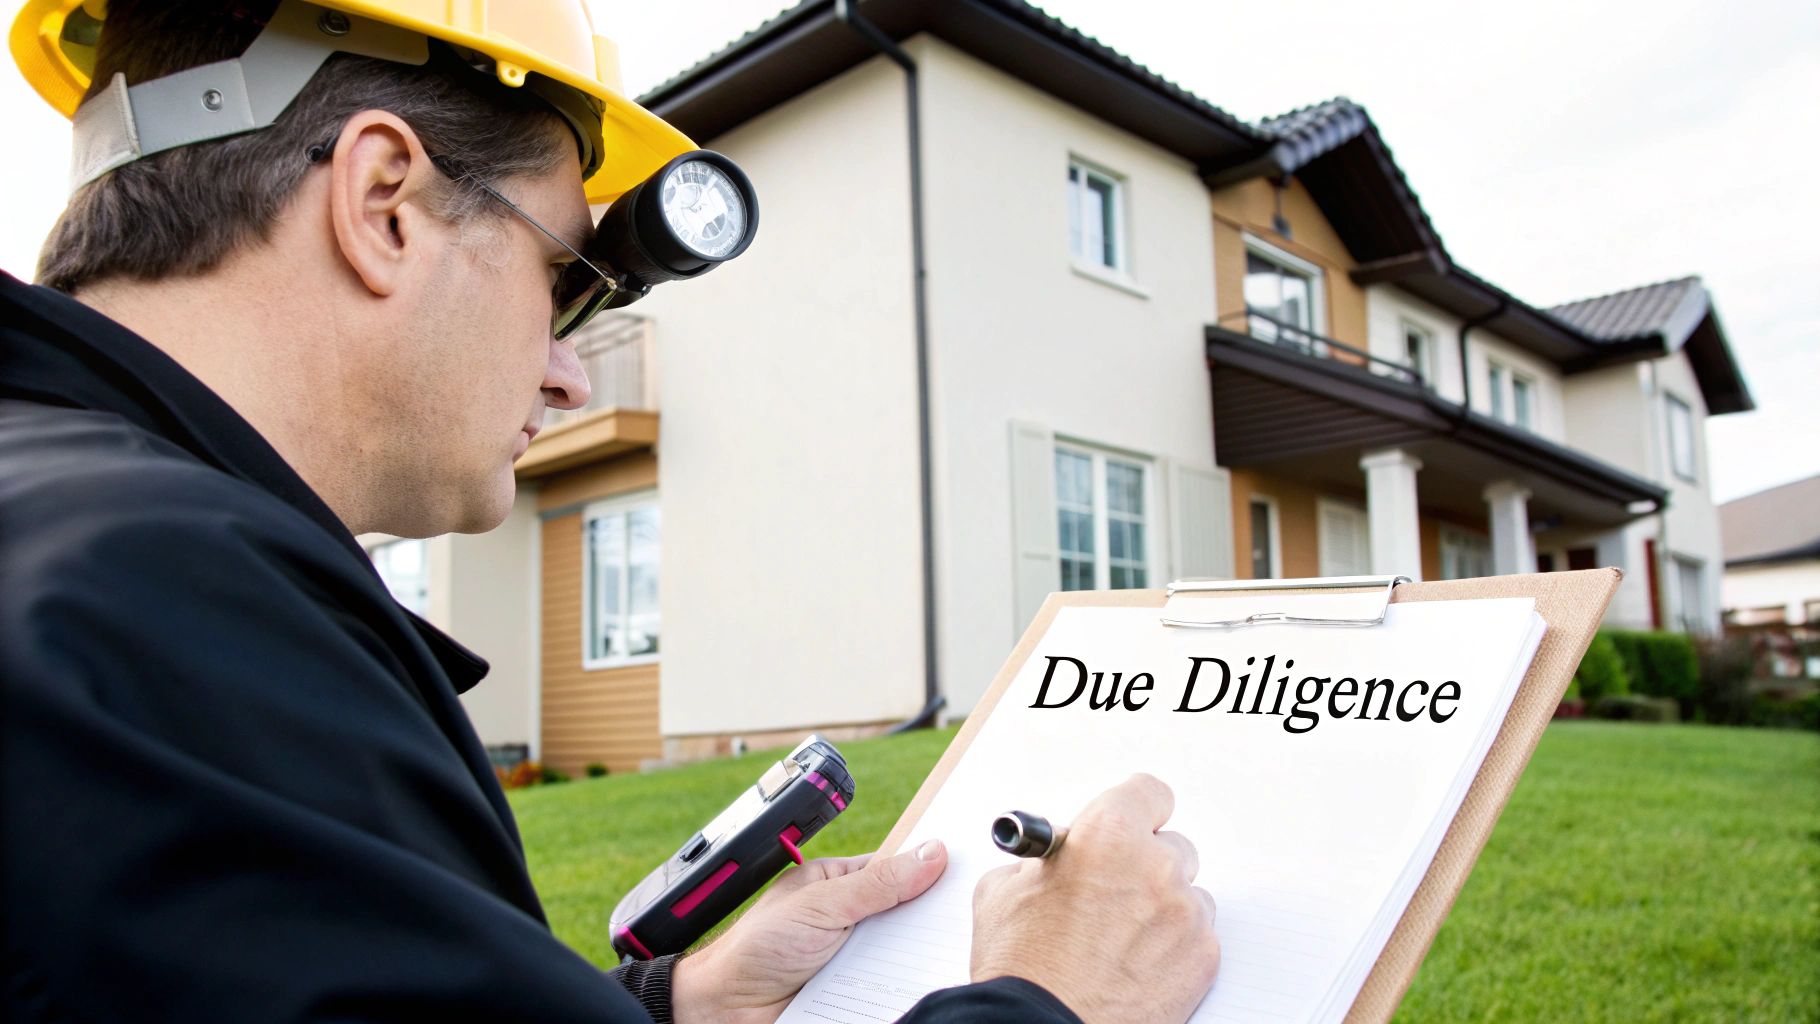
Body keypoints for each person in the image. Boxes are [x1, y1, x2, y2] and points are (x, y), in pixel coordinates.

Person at [0, 2, 1222, 1021]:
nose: (567, 375)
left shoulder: (75, 538)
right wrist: (1053, 995)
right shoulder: (168, 607)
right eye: (563, 280)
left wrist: (678, 1001)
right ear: (383, 203)